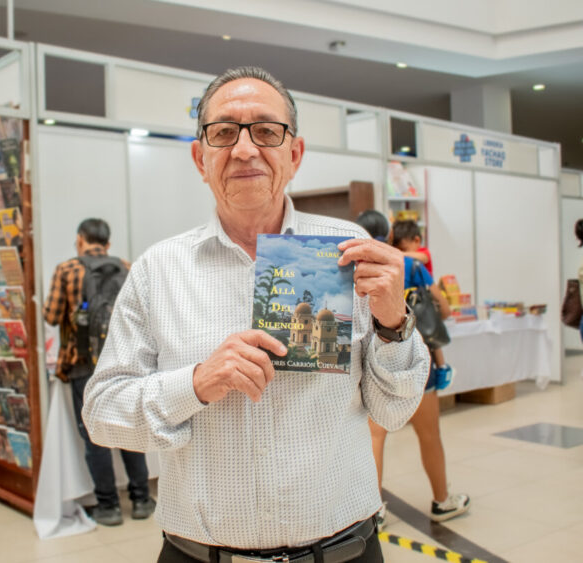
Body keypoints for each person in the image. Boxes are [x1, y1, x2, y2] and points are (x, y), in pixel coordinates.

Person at [82, 67, 430, 562]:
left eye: (267, 131)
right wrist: (197, 383)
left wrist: (393, 320)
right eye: (224, 133)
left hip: (343, 552)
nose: (245, 149)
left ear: (295, 154)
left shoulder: (348, 255)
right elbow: (102, 415)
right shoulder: (157, 271)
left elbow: (394, 411)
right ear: (201, 158)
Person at [356, 212, 470, 530]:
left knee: (375, 439)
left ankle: (374, 510)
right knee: (429, 436)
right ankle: (442, 500)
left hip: (369, 363)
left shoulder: (350, 264)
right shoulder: (410, 265)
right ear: (389, 232)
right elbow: (443, 310)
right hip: (415, 361)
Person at [43, 218, 155, 527]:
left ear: (80, 239)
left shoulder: (67, 270)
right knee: (129, 429)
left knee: (95, 436)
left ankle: (108, 507)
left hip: (83, 365)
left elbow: (51, 315)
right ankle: (142, 499)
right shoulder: (127, 267)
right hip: (124, 364)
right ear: (107, 242)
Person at [390, 220, 453, 388]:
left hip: (405, 325)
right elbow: (443, 305)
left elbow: (424, 257)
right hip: (420, 319)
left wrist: (395, 253)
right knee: (430, 344)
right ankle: (441, 370)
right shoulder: (414, 265)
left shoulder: (414, 259)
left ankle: (442, 368)